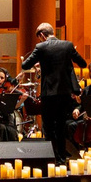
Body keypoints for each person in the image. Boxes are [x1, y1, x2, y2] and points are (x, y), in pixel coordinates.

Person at [20, 21, 83, 161]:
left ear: (42, 35)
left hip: (49, 94)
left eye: (39, 38)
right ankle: (62, 159)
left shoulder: (41, 47)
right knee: (61, 126)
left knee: (48, 128)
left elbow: (25, 65)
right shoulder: (68, 45)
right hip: (65, 94)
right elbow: (82, 63)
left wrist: (42, 60)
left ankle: (51, 158)